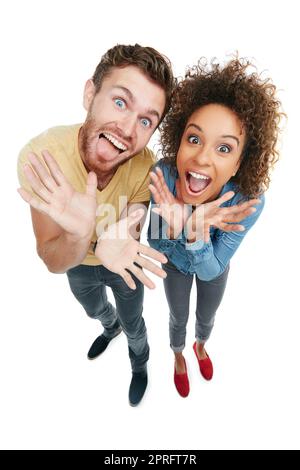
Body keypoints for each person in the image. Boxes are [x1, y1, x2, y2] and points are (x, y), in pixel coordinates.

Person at [17, 44, 175, 406]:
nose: (127, 129)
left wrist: (124, 235)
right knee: (94, 310)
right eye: (120, 102)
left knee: (135, 323)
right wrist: (79, 233)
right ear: (91, 93)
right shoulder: (43, 158)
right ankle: (109, 327)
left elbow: (131, 225)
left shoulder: (144, 165)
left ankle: (140, 362)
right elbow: (53, 260)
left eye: (146, 120)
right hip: (79, 267)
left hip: (122, 267)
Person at [147, 57, 283, 397]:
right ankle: (178, 354)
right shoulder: (164, 174)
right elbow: (155, 244)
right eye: (194, 139)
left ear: (239, 163)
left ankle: (201, 346)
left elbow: (210, 271)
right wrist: (178, 228)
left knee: (206, 315)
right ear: (179, 140)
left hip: (214, 269)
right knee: (178, 317)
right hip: (175, 267)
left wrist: (193, 231)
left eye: (224, 148)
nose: (202, 158)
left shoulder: (247, 201)